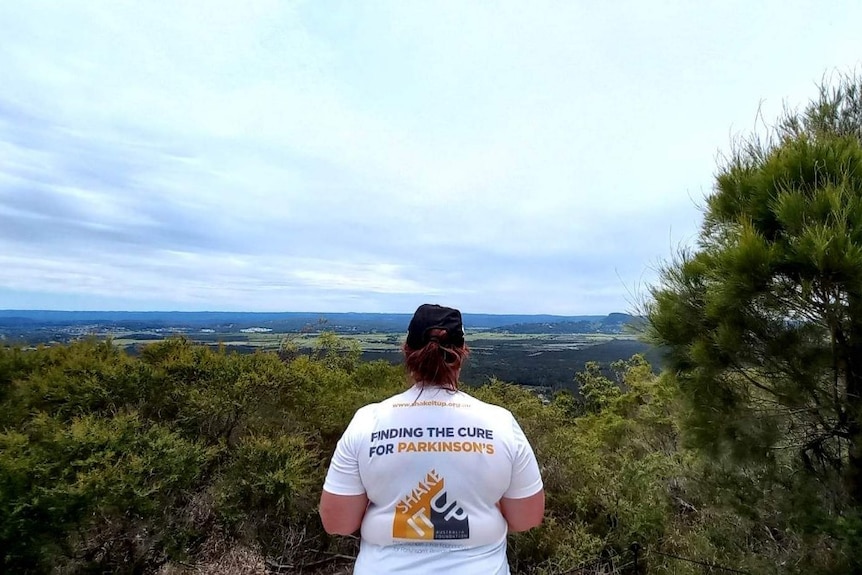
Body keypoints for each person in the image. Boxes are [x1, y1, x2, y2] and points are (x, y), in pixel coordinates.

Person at [319, 303, 545, 574]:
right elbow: (527, 519)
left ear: (407, 351)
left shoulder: (367, 421)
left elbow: (338, 523)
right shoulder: (500, 424)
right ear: (461, 354)